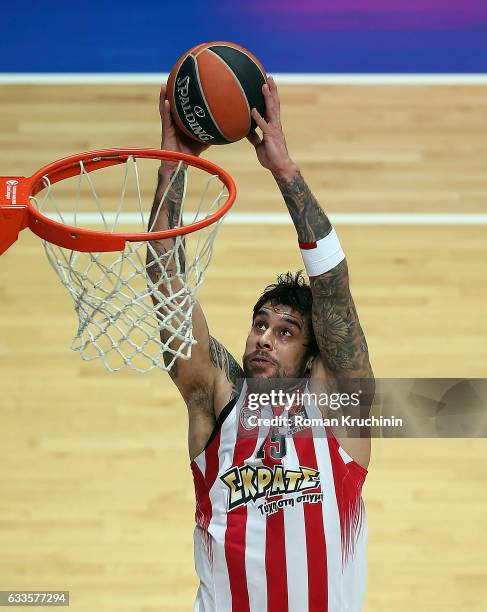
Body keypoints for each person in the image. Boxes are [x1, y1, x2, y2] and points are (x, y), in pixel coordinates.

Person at [147, 77, 374, 612]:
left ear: (314, 358)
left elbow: (335, 293)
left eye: (286, 331)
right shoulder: (218, 402)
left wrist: (286, 173)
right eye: (260, 325)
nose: (263, 339)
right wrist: (171, 167)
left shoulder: (339, 410)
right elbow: (166, 285)